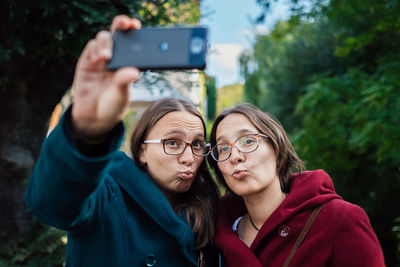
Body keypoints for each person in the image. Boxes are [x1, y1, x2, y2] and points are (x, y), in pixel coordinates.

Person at [24, 15, 219, 266]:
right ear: (140, 152)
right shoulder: (106, 195)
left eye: (196, 145)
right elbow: (51, 204)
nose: (189, 158)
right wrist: (86, 131)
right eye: (173, 143)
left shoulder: (210, 211)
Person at [207, 103, 385, 266]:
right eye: (223, 149)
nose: (235, 156)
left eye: (248, 141)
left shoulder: (338, 218)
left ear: (276, 148)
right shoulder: (216, 232)